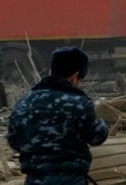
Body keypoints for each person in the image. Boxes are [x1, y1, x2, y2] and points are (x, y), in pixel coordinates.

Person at [7, 47, 109, 185]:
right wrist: (103, 124)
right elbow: (95, 137)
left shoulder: (25, 102)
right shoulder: (79, 102)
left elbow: (13, 139)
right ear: (74, 76)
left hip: (34, 180)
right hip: (70, 180)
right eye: (79, 79)